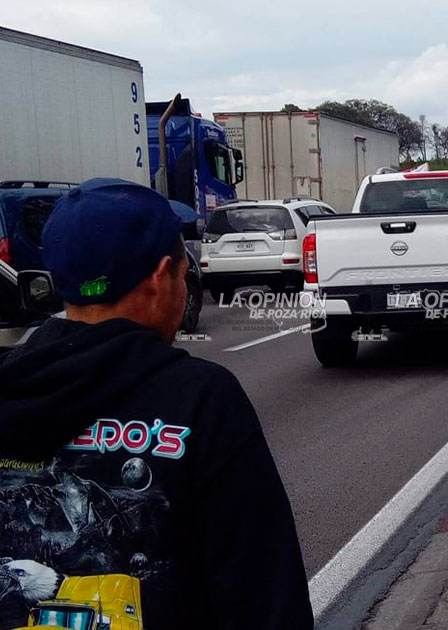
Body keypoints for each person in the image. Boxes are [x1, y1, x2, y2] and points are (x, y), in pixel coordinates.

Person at [0, 178, 312, 630]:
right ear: (159, 278)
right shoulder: (201, 399)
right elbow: (264, 596)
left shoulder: (10, 382)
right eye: (183, 276)